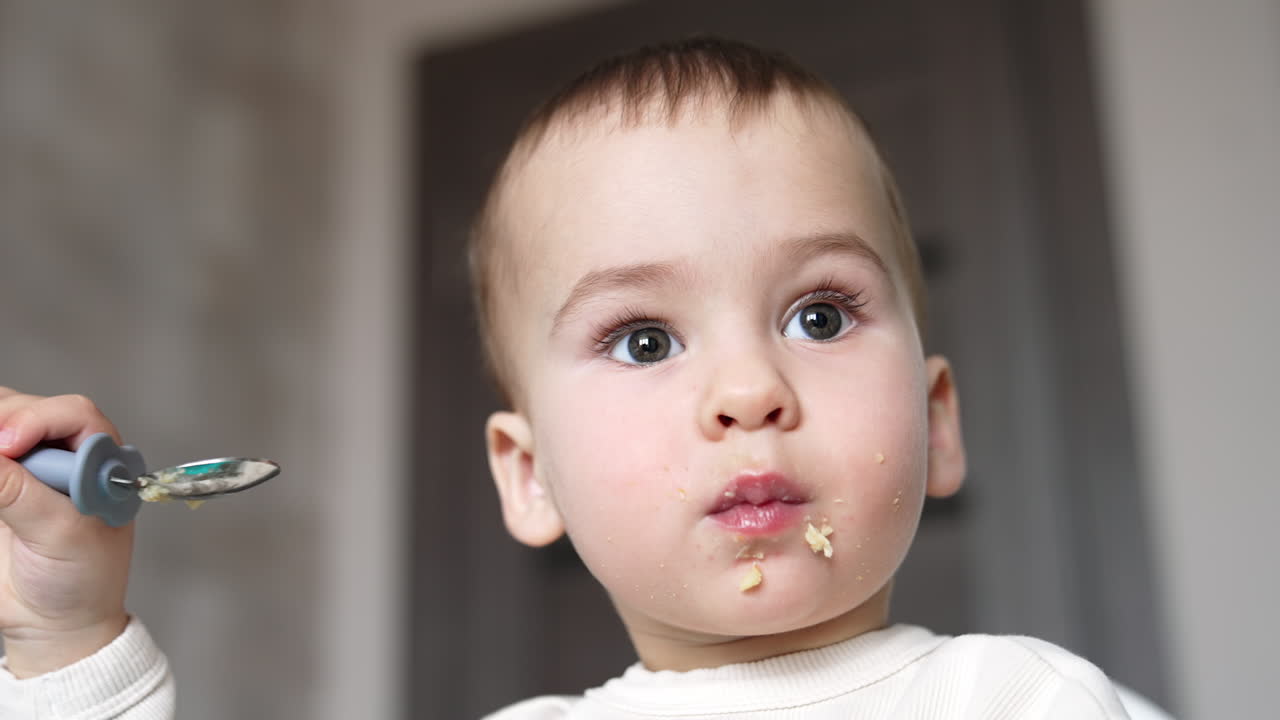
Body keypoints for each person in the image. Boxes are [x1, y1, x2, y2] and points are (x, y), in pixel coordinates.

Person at [0, 37, 1135, 718]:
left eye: (817, 313)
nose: (747, 391)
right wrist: (66, 646)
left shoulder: (1033, 702)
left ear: (937, 422)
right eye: (644, 339)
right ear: (528, 475)